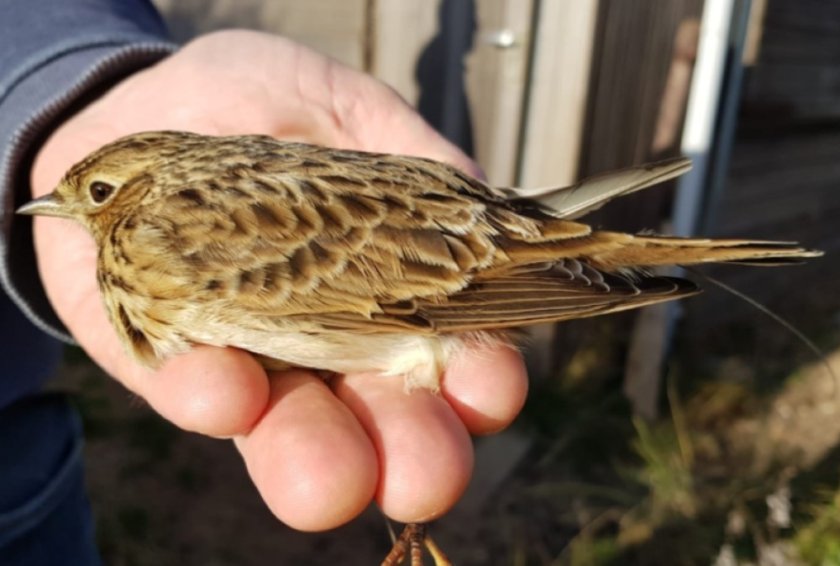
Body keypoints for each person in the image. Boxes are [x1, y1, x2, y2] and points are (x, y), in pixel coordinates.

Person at [0, 1, 529, 563]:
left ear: (143, 190)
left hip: (19, 462)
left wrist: (54, 80)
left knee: (393, 461)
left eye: (99, 194)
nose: (69, 208)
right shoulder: (165, 231)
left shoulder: (154, 242)